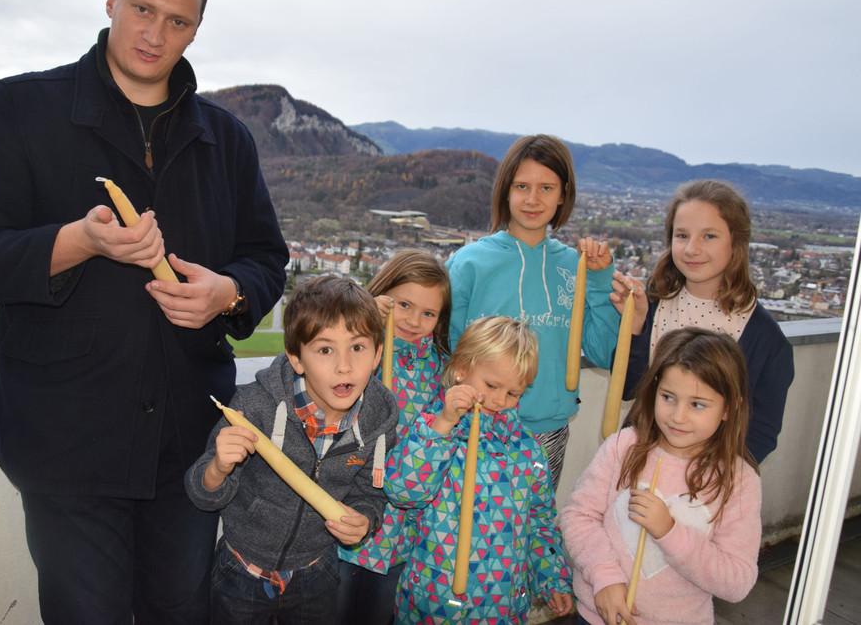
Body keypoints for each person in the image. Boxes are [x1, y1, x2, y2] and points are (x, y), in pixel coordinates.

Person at [0, 0, 289, 622]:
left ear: (196, 29)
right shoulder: (22, 108)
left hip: (189, 451)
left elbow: (268, 260)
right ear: (110, 0)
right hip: (66, 444)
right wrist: (78, 242)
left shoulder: (227, 140)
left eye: (178, 21)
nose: (156, 34)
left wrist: (228, 294)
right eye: (142, 9)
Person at [184, 275, 399, 623]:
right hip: (242, 570)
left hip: (317, 571)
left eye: (357, 348)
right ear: (297, 359)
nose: (344, 366)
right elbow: (201, 493)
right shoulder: (256, 407)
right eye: (325, 350)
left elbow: (370, 494)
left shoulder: (379, 422)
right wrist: (218, 469)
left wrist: (365, 519)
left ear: (378, 354)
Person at [445, 134, 620, 484]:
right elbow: (446, 350)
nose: (532, 199)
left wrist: (601, 282)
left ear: (563, 194)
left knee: (533, 518)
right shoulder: (468, 263)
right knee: (465, 517)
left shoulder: (578, 268)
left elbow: (604, 353)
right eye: (521, 186)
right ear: (505, 190)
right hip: (476, 423)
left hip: (547, 431)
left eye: (546, 188)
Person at [559, 327, 762, 625]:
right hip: (596, 617)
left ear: (728, 409)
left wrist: (669, 532)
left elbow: (737, 582)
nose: (678, 416)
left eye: (697, 404)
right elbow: (578, 516)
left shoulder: (740, 481)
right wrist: (604, 575)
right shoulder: (623, 446)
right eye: (668, 397)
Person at [385, 316, 573, 624]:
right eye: (491, 385)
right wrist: (442, 426)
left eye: (514, 393)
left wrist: (553, 577)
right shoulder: (435, 430)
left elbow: (540, 523)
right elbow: (403, 492)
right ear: (461, 369)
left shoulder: (528, 451)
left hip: (503, 606)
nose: (499, 400)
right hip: (435, 602)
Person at [612, 179, 793, 463]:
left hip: (706, 479)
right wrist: (635, 326)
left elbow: (761, 433)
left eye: (709, 236)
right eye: (682, 235)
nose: (691, 249)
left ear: (736, 242)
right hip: (639, 464)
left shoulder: (764, 337)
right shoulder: (655, 304)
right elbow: (626, 389)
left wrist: (709, 477)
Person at [336, 249, 452, 625]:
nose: (414, 321)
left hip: (400, 533)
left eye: (429, 313)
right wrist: (360, 322)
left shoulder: (439, 371)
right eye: (404, 304)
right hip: (343, 519)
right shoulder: (356, 350)